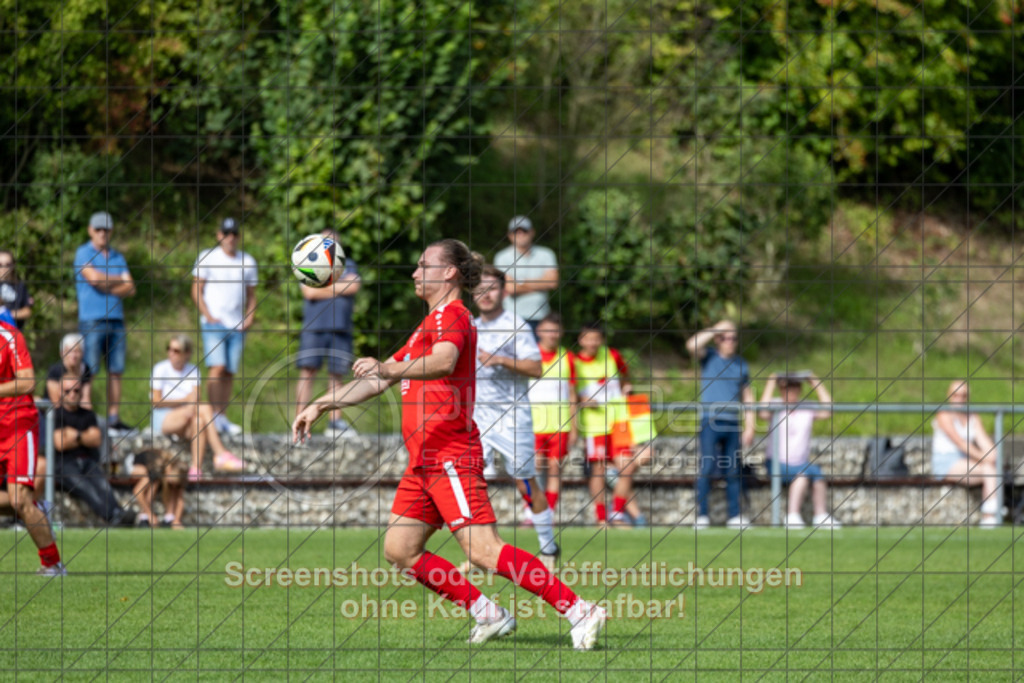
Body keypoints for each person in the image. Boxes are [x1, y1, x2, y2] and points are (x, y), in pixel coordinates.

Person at [293, 239, 606, 650]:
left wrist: (387, 365)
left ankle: (579, 609)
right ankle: (488, 613)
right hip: (424, 461)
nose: (415, 273)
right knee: (400, 549)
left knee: (483, 550)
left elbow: (442, 361)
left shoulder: (452, 316)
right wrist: (322, 402)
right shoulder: (429, 323)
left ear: (449, 273)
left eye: (424, 265)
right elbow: (379, 380)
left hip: (451, 455)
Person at [471, 265, 558, 566]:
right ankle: (482, 550)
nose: (485, 294)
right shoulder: (469, 327)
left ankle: (548, 548)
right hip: (478, 416)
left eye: (492, 287)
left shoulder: (516, 324)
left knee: (525, 482)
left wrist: (500, 360)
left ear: (504, 292)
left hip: (512, 416)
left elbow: (536, 368)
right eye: (480, 288)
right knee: (470, 481)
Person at [0, 318, 65, 575]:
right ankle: (35, 511)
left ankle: (52, 563)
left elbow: (28, 382)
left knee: (20, 500)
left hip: (18, 422)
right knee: (22, 503)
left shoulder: (9, 336)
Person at [686, 319, 756, 530]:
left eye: (734, 338)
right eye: (725, 337)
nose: (730, 342)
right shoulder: (709, 357)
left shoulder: (741, 364)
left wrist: (750, 425)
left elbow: (748, 396)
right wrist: (717, 328)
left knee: (733, 469)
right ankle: (702, 516)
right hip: (710, 420)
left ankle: (734, 516)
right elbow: (691, 345)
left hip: (733, 422)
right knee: (707, 467)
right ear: (718, 339)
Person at [191, 217, 258, 436]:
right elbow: (196, 289)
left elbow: (252, 295)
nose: (231, 238)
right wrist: (208, 315)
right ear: (219, 235)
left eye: (234, 234)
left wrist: (249, 317)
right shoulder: (208, 257)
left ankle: (222, 416)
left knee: (229, 372)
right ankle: (210, 415)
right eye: (226, 233)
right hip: (214, 323)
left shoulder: (247, 261)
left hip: (237, 325)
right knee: (216, 367)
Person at [295, 228, 361, 436]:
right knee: (307, 373)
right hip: (315, 327)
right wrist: (339, 285)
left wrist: (324, 286)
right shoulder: (307, 261)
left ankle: (335, 423)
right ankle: (300, 419)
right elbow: (309, 292)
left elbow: (354, 286)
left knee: (337, 375)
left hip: (341, 328)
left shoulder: (349, 264)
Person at [74, 211, 135, 432]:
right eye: (98, 229)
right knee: (89, 369)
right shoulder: (83, 252)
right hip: (92, 319)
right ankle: (85, 414)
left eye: (106, 230)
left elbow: (131, 288)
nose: (102, 233)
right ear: (91, 230)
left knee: (116, 370)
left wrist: (105, 280)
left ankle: (113, 418)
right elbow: (94, 278)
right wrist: (118, 279)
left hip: (116, 319)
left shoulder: (118, 256)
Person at [150, 334, 243, 481]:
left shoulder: (193, 370)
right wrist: (184, 401)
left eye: (176, 350)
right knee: (205, 407)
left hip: (189, 415)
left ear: (187, 353)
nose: (171, 353)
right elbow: (156, 401)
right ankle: (220, 453)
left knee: (198, 422)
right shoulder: (160, 369)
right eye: (170, 349)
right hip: (164, 417)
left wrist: (189, 405)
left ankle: (196, 469)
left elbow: (196, 397)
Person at [573, 322, 637, 526]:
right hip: (594, 425)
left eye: (596, 338)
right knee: (598, 469)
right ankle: (601, 517)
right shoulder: (574, 362)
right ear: (580, 339)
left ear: (601, 339)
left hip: (619, 422)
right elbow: (570, 393)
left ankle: (617, 512)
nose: (592, 342)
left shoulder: (613, 355)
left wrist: (627, 388)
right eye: (587, 338)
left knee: (627, 466)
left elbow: (627, 379)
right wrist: (582, 401)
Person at [758, 372, 841, 528]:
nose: (790, 392)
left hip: (801, 463)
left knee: (817, 475)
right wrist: (771, 381)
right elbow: (761, 412)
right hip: (777, 462)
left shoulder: (807, 407)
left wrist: (814, 381)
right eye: (786, 388)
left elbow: (829, 410)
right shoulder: (775, 405)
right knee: (803, 475)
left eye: (794, 388)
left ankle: (820, 515)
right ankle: (792, 515)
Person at [52, 374, 135, 526]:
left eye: (76, 390)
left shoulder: (87, 414)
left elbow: (96, 439)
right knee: (85, 487)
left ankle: (118, 513)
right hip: (65, 464)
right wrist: (84, 436)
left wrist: (74, 435)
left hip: (87, 460)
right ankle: (112, 516)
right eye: (67, 390)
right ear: (60, 392)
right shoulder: (55, 415)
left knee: (103, 486)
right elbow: (60, 443)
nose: (72, 394)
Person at [528, 313, 578, 517]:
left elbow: (572, 395)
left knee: (555, 470)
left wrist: (574, 427)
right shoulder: (530, 356)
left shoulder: (567, 358)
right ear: (539, 331)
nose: (551, 335)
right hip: (533, 425)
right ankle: (531, 511)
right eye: (547, 330)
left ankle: (549, 512)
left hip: (560, 426)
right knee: (533, 469)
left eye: (555, 330)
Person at [931, 379, 1001, 527]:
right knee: (989, 468)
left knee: (990, 468)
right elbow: (960, 444)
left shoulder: (972, 416)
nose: (960, 399)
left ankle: (990, 516)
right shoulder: (944, 415)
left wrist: (991, 455)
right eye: (956, 395)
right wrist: (986, 458)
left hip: (966, 462)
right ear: (949, 396)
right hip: (947, 462)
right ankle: (990, 516)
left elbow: (984, 441)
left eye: (963, 395)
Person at [493, 215, 559, 336]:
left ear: (532, 232)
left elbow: (553, 282)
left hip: (542, 318)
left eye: (524, 231)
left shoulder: (547, 254)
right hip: (512, 319)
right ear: (509, 235)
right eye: (516, 231)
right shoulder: (502, 257)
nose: (520, 234)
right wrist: (541, 283)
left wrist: (520, 283)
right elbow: (510, 288)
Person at [128, 448, 186, 528]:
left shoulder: (175, 469)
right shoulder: (156, 469)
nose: (172, 484)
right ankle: (144, 517)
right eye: (171, 481)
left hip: (151, 471)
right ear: (170, 470)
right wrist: (150, 514)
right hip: (130, 464)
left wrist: (177, 520)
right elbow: (137, 492)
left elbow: (180, 499)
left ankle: (169, 518)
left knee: (165, 486)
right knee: (153, 484)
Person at [46, 332, 93, 410]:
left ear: (82, 353)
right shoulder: (55, 371)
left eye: (77, 351)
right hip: (56, 413)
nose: (73, 355)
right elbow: (56, 403)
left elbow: (86, 400)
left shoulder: (85, 369)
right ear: (62, 353)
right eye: (70, 351)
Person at [0, 250, 33, 328]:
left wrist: (7, 315)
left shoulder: (19, 286)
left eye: (7, 264)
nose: (4, 268)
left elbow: (27, 311)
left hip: (13, 333)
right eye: (0, 264)